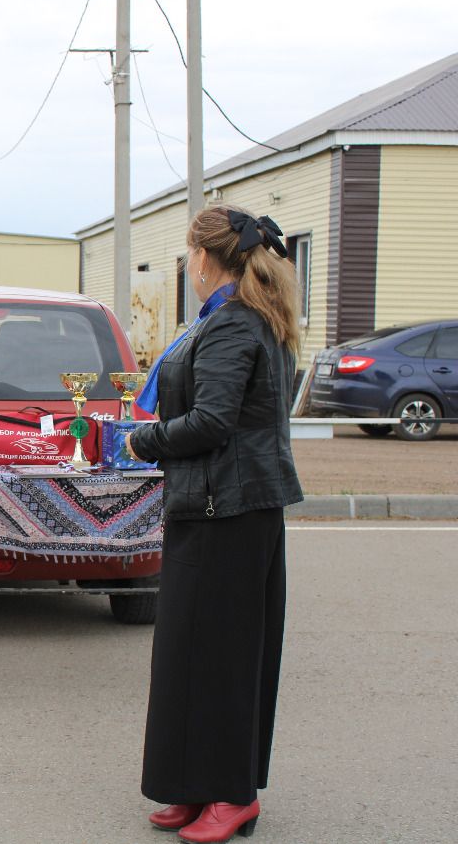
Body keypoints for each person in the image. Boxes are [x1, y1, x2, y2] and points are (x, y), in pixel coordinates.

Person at [126, 206, 304, 843]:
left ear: (204, 258)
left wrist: (141, 441)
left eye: (187, 254)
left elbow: (211, 422)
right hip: (213, 506)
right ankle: (190, 784)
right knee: (187, 652)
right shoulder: (234, 319)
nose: (187, 265)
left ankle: (233, 794)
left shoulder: (233, 325)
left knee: (225, 657)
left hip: (230, 510)